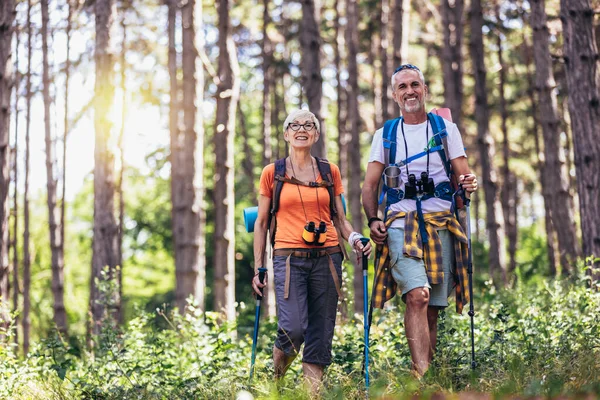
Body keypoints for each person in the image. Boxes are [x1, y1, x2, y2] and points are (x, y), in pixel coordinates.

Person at [361, 64, 478, 376]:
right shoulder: (384, 135)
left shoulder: (445, 129)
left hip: (441, 223)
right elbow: (369, 186)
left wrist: (469, 183)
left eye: (415, 85)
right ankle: (421, 377)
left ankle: (430, 382)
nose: (409, 91)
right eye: (402, 87)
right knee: (417, 296)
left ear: (425, 90)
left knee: (433, 309)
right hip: (401, 223)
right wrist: (373, 220)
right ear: (394, 95)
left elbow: (463, 174)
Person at [252, 109, 372, 394]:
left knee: (320, 335)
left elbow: (340, 219)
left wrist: (355, 238)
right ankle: (277, 381)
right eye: (295, 124)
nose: (302, 129)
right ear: (286, 134)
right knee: (293, 328)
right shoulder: (273, 172)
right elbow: (261, 221)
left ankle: (312, 396)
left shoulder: (330, 171)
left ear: (316, 134)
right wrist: (259, 268)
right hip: (289, 258)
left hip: (328, 258)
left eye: (309, 125)